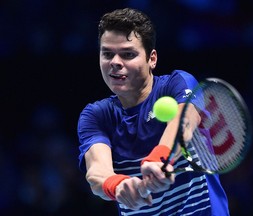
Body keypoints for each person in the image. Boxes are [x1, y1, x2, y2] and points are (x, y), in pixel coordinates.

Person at [77, 8, 230, 216]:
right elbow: (96, 173)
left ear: (152, 59)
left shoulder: (178, 83)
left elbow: (183, 123)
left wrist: (159, 159)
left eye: (128, 54)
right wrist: (118, 185)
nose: (115, 62)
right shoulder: (96, 115)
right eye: (107, 54)